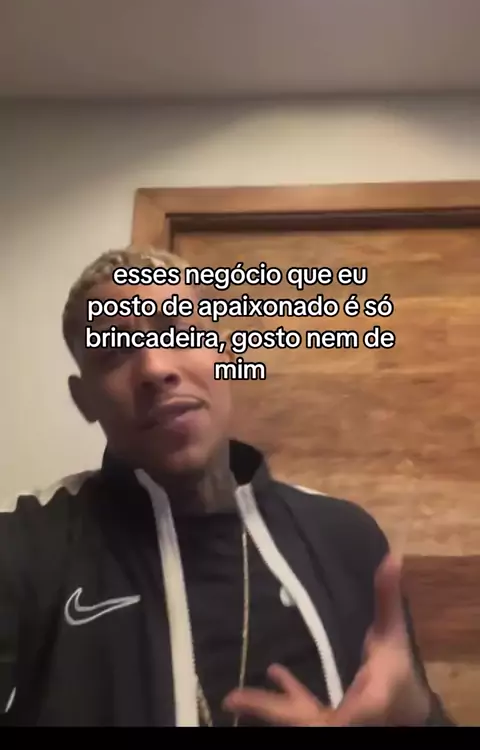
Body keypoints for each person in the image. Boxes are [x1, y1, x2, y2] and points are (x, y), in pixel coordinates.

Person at [0, 246, 455, 727]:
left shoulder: (346, 537)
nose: (155, 368)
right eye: (114, 352)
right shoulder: (25, 547)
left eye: (180, 333)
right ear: (84, 400)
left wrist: (416, 714)